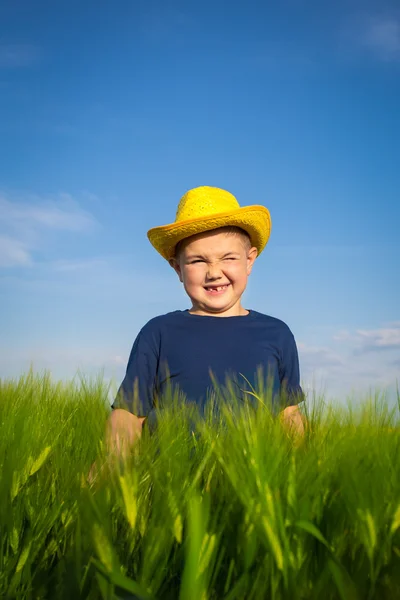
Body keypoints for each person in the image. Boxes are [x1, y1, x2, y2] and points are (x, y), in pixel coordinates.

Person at [105, 186, 305, 460]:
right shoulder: (159, 332)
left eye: (228, 258)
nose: (213, 273)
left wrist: (302, 469)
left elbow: (288, 413)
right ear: (177, 268)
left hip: (255, 490)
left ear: (249, 260)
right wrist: (105, 474)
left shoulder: (276, 334)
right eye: (198, 261)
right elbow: (128, 415)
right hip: (169, 487)